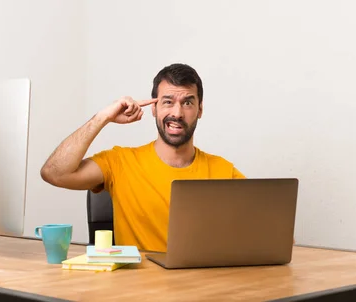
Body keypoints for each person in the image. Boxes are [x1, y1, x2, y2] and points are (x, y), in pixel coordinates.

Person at [40, 63, 245, 252]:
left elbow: (261, 226)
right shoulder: (120, 161)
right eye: (167, 102)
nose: (177, 113)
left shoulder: (223, 171)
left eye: (188, 102)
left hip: (201, 286)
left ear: (200, 109)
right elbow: (54, 173)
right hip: (138, 288)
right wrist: (103, 118)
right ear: (154, 108)